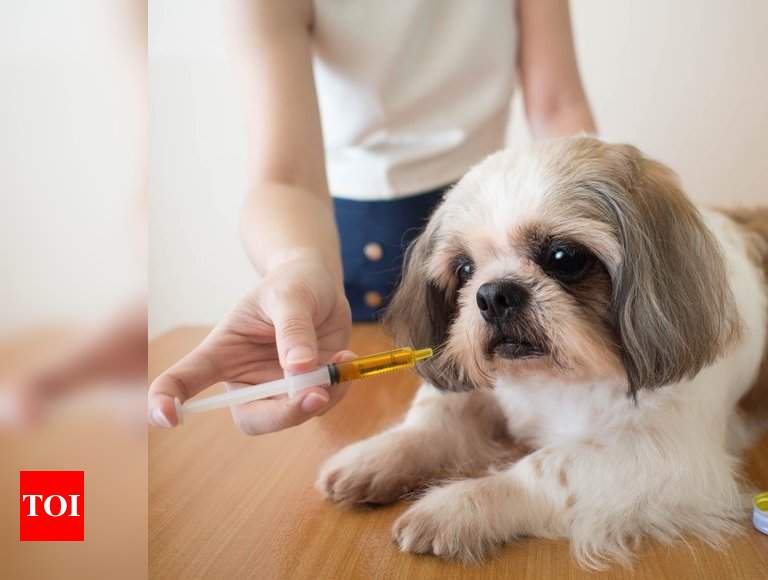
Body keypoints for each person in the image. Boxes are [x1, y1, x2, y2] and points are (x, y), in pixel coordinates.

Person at [148, 0, 596, 434]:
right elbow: (286, 177)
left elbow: (558, 109)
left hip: (496, 228)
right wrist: (297, 269)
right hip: (352, 260)